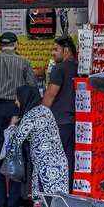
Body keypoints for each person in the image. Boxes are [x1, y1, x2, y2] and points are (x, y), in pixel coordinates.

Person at [7, 85, 69, 207]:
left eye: (18, 98)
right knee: (53, 205)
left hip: (45, 170)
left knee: (42, 206)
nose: (16, 102)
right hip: (58, 165)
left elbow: (13, 145)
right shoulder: (45, 111)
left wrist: (12, 126)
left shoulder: (30, 117)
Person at [0, 32, 38, 207]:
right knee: (16, 154)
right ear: (16, 45)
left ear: (0, 46)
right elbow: (32, 89)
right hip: (17, 110)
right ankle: (14, 201)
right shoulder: (24, 63)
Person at [42, 36, 78, 194]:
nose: (53, 53)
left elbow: (50, 95)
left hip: (58, 122)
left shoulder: (59, 69)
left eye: (55, 49)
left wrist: (40, 117)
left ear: (66, 50)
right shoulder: (79, 68)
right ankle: (68, 195)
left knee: (53, 162)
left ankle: (55, 197)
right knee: (69, 161)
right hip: (74, 122)